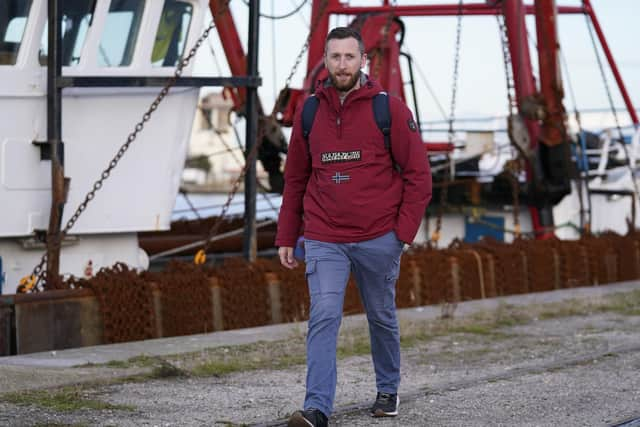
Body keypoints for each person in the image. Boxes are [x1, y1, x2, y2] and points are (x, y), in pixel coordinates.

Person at [276, 27, 432, 427]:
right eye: (334, 57)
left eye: (349, 57)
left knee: (380, 315)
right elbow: (295, 179)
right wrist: (286, 235)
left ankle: (387, 389)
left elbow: (418, 175)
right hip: (325, 237)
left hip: (379, 237)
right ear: (325, 62)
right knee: (324, 315)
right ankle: (316, 410)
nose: (341, 64)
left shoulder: (390, 109)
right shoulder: (309, 112)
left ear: (364, 61)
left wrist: (402, 234)